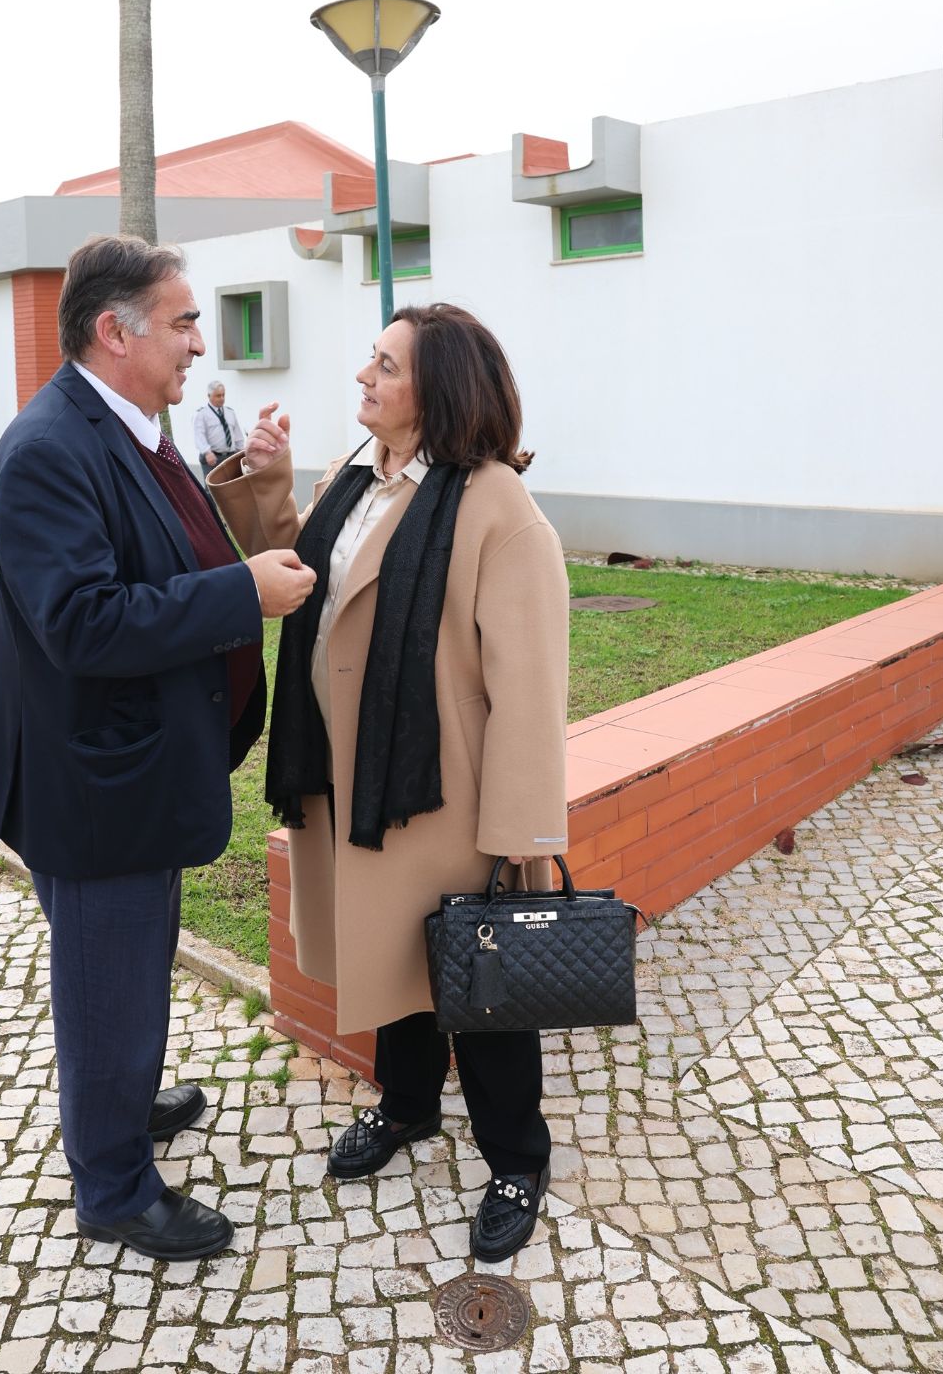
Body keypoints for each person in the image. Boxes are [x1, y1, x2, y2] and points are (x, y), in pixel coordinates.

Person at [0, 234, 315, 1262]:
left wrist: (241, 489)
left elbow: (152, 545)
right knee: (107, 979)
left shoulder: (125, 428)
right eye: (183, 322)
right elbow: (81, 620)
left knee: (133, 963)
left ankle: (124, 1095)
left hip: (135, 762)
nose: (199, 343)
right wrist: (241, 592)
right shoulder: (47, 448)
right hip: (94, 780)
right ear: (114, 333)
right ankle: (113, 1185)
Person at [209, 303, 569, 1262]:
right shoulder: (356, 474)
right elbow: (305, 572)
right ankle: (407, 1105)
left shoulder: (497, 506)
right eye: (370, 359)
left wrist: (519, 835)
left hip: (444, 797)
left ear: (437, 390)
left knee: (479, 987)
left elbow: (529, 687)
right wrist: (270, 479)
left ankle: (515, 1160)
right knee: (392, 958)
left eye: (386, 365)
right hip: (351, 777)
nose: (363, 377)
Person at [193, 380, 245, 477]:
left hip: (230, 456)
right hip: (212, 457)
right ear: (209, 396)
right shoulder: (201, 414)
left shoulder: (230, 412)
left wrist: (241, 451)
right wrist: (207, 452)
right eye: (218, 396)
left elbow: (237, 435)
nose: (222, 398)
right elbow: (199, 436)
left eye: (223, 395)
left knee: (233, 483)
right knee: (212, 486)